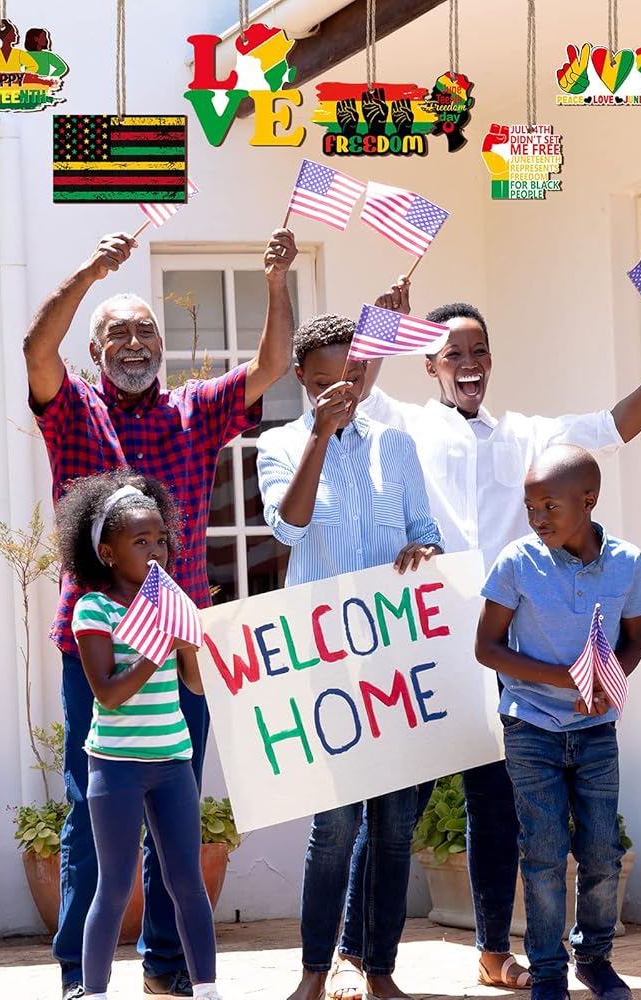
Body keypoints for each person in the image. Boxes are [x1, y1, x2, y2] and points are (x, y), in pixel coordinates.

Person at [338, 280, 641, 992]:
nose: (468, 364)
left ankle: (494, 952)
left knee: (496, 807)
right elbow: (355, 387)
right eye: (452, 354)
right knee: (395, 811)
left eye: (479, 351)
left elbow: (609, 428)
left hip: (506, 649)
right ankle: (354, 954)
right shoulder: (405, 423)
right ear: (429, 366)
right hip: (427, 643)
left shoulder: (525, 434)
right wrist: (381, 325)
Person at [24, 227, 297, 1000]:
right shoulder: (73, 410)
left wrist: (276, 281)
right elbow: (36, 350)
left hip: (182, 646)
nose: (135, 343)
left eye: (146, 331)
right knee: (91, 807)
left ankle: (167, 969)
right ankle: (80, 978)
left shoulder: (195, 411)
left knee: (173, 809)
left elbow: (271, 366)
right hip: (98, 648)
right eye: (119, 333)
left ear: (163, 345)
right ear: (97, 348)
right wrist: (89, 271)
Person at [256, 313, 443, 1000]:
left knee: (393, 829)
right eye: (325, 379)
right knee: (334, 826)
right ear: (303, 380)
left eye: (353, 374)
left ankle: (379, 968)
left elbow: (425, 531)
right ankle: (314, 971)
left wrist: (425, 550)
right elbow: (287, 527)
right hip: (324, 665)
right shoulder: (278, 444)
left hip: (393, 658)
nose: (343, 387)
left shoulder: (396, 445)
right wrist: (319, 435)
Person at [475, 445, 641, 1000]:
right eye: (531, 507)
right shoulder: (517, 562)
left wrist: (606, 682)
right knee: (544, 853)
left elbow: (635, 641)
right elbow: (487, 647)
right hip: (530, 726)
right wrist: (565, 679)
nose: (538, 519)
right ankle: (549, 972)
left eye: (550, 507)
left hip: (596, 729)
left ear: (588, 501)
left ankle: (594, 959)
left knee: (602, 851)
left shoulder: (627, 563)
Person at [57, 470, 219, 1000]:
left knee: (187, 882)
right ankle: (94, 990)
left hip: (172, 761)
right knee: (115, 885)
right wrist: (156, 649)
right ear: (107, 552)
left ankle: (207, 989)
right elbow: (107, 693)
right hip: (116, 766)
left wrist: (187, 643)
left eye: (161, 540)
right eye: (140, 541)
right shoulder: (93, 608)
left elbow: (195, 684)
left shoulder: (170, 604)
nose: (155, 552)